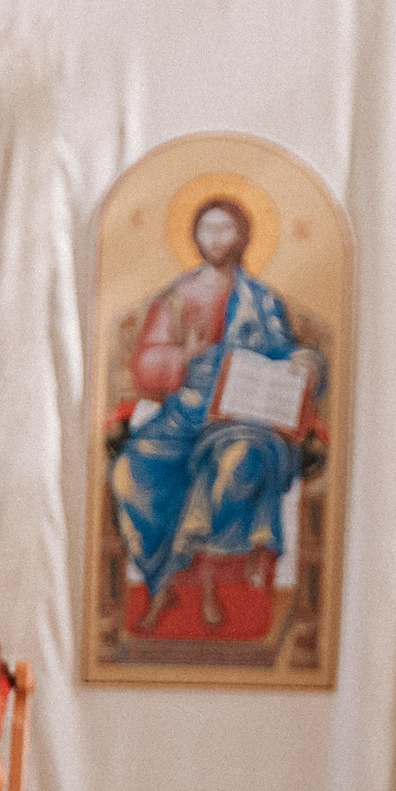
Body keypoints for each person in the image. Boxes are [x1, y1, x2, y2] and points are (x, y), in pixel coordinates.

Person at [108, 197, 325, 635]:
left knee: (236, 463)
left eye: (225, 229)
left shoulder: (260, 301)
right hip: (186, 412)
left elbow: (285, 352)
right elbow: (144, 364)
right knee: (130, 475)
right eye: (207, 229)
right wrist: (179, 359)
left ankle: (203, 587)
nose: (216, 239)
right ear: (194, 236)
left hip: (245, 416)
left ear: (243, 235)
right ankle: (159, 580)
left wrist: (304, 361)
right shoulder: (174, 298)